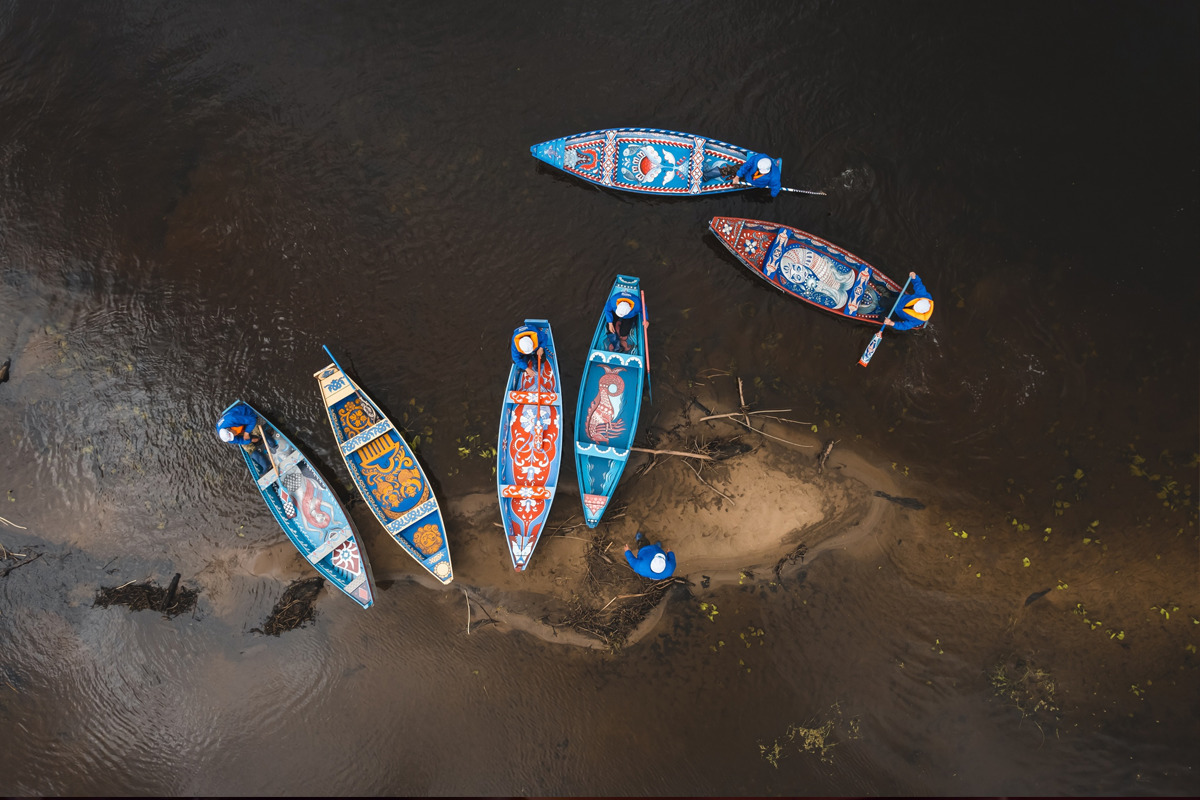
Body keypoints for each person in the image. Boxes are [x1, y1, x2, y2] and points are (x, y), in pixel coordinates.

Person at [215, 402, 272, 475]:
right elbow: (238, 440)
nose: (234, 436)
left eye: (233, 434)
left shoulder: (233, 419)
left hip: (247, 417)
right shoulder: (226, 437)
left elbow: (252, 420)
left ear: (228, 429)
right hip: (240, 425)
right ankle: (266, 464)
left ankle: (269, 439)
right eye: (232, 437)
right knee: (247, 447)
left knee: (257, 431)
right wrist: (250, 440)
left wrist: (247, 432)